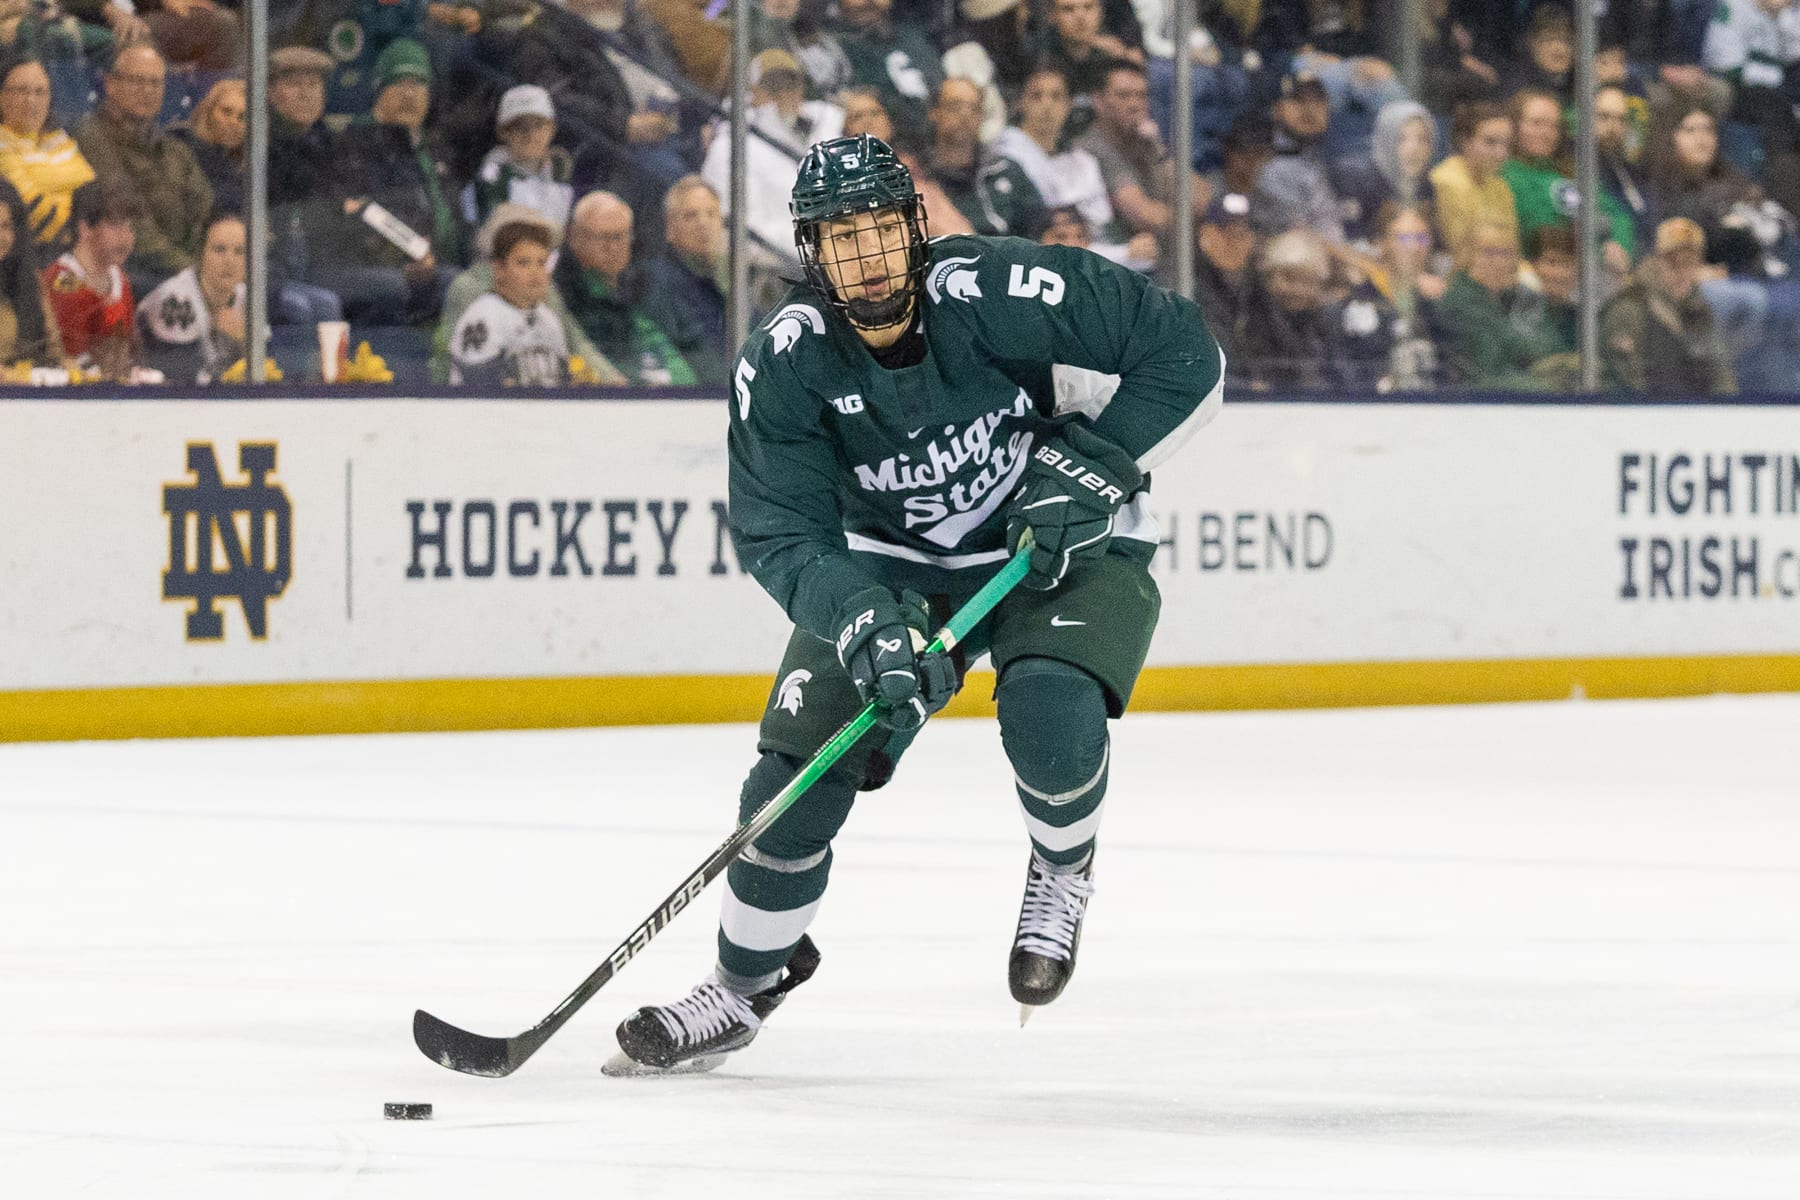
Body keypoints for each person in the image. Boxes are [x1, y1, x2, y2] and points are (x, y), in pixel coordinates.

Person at [603, 133, 1223, 1075]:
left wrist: (1091, 466)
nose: (866, 257)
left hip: (1050, 536)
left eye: (880, 231)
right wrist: (865, 624)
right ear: (813, 253)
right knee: (793, 781)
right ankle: (739, 989)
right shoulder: (786, 362)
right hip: (890, 561)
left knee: (1051, 713)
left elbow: (1184, 352)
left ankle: (1062, 867)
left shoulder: (998, 290)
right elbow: (782, 533)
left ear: (914, 227)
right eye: (840, 240)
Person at [71, 42, 214, 298]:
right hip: (134, 274)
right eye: (137, 81)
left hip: (189, 272)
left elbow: (208, 212)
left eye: (155, 83)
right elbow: (133, 229)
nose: (147, 91)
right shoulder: (92, 138)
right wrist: (197, 276)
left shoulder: (173, 148)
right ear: (110, 84)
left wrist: (219, 267)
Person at [554, 190, 696, 385]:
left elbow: (665, 351)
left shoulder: (641, 288)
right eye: (603, 237)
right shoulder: (564, 294)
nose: (613, 248)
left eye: (620, 236)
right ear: (574, 237)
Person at [1600, 216, 1737, 395]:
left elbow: (1721, 374)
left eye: (1689, 263)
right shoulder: (1630, 307)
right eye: (1673, 263)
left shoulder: (1700, 309)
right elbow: (1626, 382)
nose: (1681, 273)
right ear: (1656, 262)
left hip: (1697, 413)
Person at [446, 215, 572, 387]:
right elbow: (479, 389)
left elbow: (563, 384)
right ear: (499, 270)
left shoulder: (549, 319)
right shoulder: (482, 318)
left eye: (541, 263)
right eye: (523, 263)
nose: (535, 272)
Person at [637, 174, 730, 386]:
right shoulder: (656, 282)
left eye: (711, 214)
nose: (703, 224)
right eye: (690, 216)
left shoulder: (735, 280)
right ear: (670, 228)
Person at [45, 179, 139, 381]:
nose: (126, 237)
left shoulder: (120, 279)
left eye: (130, 227)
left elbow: (129, 354)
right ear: (85, 228)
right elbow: (70, 358)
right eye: (115, 225)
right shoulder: (62, 281)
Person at [136, 211, 246, 384]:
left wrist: (245, 339)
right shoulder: (176, 300)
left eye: (240, 251)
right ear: (201, 254)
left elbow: (272, 369)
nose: (229, 261)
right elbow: (184, 383)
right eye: (219, 250)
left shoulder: (246, 297)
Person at [0, 55, 95, 251]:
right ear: (2, 97)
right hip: (38, 252)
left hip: (83, 247)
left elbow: (93, 193)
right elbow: (31, 210)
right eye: (21, 91)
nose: (31, 100)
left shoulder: (60, 139)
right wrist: (88, 232)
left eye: (40, 92)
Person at [462, 85, 574, 232]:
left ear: (552, 129)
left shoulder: (561, 180)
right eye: (520, 127)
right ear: (502, 132)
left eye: (539, 125)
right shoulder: (487, 183)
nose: (531, 135)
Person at [1429, 100, 1518, 264]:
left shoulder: (1500, 186)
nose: (1501, 153)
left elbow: (1510, 244)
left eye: (1507, 144)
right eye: (1490, 142)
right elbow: (1459, 250)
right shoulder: (1447, 182)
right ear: (1465, 141)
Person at [0, 175, 60, 364]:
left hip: (27, 387)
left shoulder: (29, 279)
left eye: (6, 226)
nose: (1, 236)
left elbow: (53, 349)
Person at [173, 77, 246, 218]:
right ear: (209, 111)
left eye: (242, 117)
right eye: (226, 112)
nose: (233, 122)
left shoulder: (250, 163)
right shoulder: (179, 144)